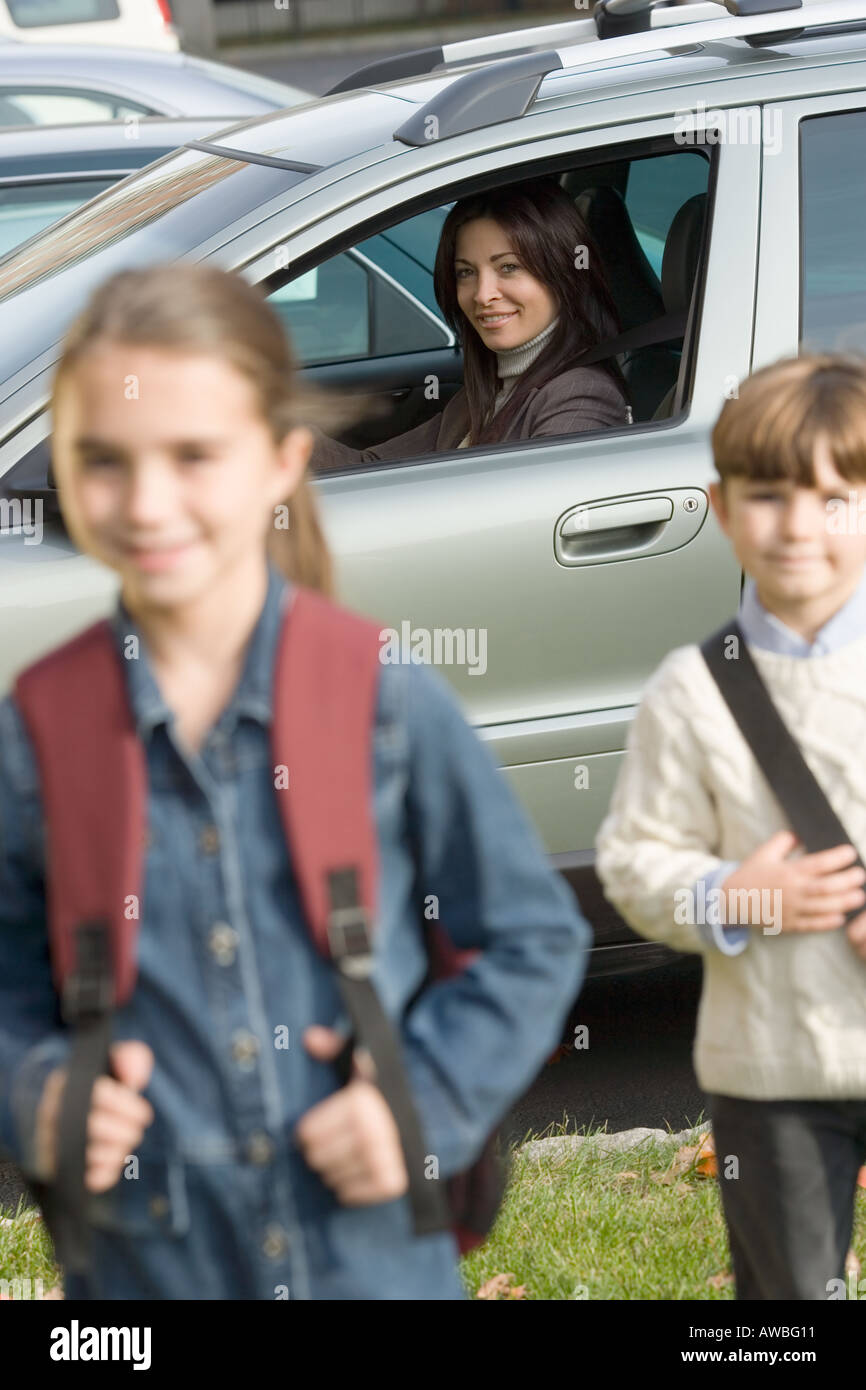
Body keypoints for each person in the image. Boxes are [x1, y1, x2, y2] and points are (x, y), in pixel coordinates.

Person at [0, 262, 591, 1301]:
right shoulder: (39, 729)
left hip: (370, 1260)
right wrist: (37, 1091)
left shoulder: (380, 696)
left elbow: (530, 935)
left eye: (194, 456)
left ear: (280, 460)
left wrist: (422, 1099)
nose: (147, 502)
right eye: (105, 462)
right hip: (147, 1269)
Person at [595, 353, 866, 1302]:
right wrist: (742, 892)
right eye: (767, 497)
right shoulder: (694, 692)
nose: (799, 527)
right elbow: (632, 863)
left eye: (835, 497)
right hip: (773, 1064)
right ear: (719, 507)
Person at [312, 177, 632, 471]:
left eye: (508, 267)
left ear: (562, 274)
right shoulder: (485, 392)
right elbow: (369, 467)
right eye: (466, 272)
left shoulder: (581, 395)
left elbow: (530, 524)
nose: (483, 294)